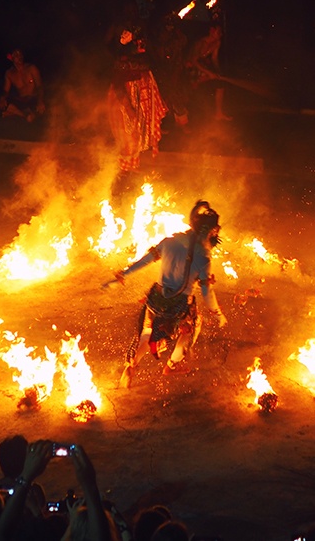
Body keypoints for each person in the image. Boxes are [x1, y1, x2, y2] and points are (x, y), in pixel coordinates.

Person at [113, 201, 225, 386]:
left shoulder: (169, 242)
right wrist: (218, 313)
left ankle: (132, 363)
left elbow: (145, 261)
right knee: (191, 327)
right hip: (178, 306)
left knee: (147, 331)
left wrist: (124, 273)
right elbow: (206, 292)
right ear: (211, 231)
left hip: (155, 298)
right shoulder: (203, 258)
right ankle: (171, 365)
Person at [107, 28, 166, 171]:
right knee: (128, 135)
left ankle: (137, 166)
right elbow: (118, 86)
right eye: (137, 43)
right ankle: (125, 169)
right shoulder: (123, 62)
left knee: (142, 133)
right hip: (126, 100)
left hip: (142, 98)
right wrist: (128, 107)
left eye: (141, 42)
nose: (141, 45)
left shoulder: (144, 59)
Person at [186, 22, 231, 121]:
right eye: (218, 32)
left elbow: (214, 58)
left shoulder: (217, 43)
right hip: (192, 68)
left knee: (220, 83)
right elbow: (193, 61)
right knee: (201, 83)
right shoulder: (201, 43)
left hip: (202, 67)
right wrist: (209, 73)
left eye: (221, 32)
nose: (220, 34)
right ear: (212, 31)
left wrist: (218, 72)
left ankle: (219, 113)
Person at [0, 49, 45, 122]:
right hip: (22, 101)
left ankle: (18, 113)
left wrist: (40, 101)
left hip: (33, 99)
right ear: (11, 58)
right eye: (16, 55)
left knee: (41, 109)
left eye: (20, 55)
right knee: (3, 104)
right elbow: (5, 90)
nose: (19, 57)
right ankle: (25, 115)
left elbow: (40, 86)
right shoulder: (9, 73)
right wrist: (2, 99)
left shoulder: (31, 68)